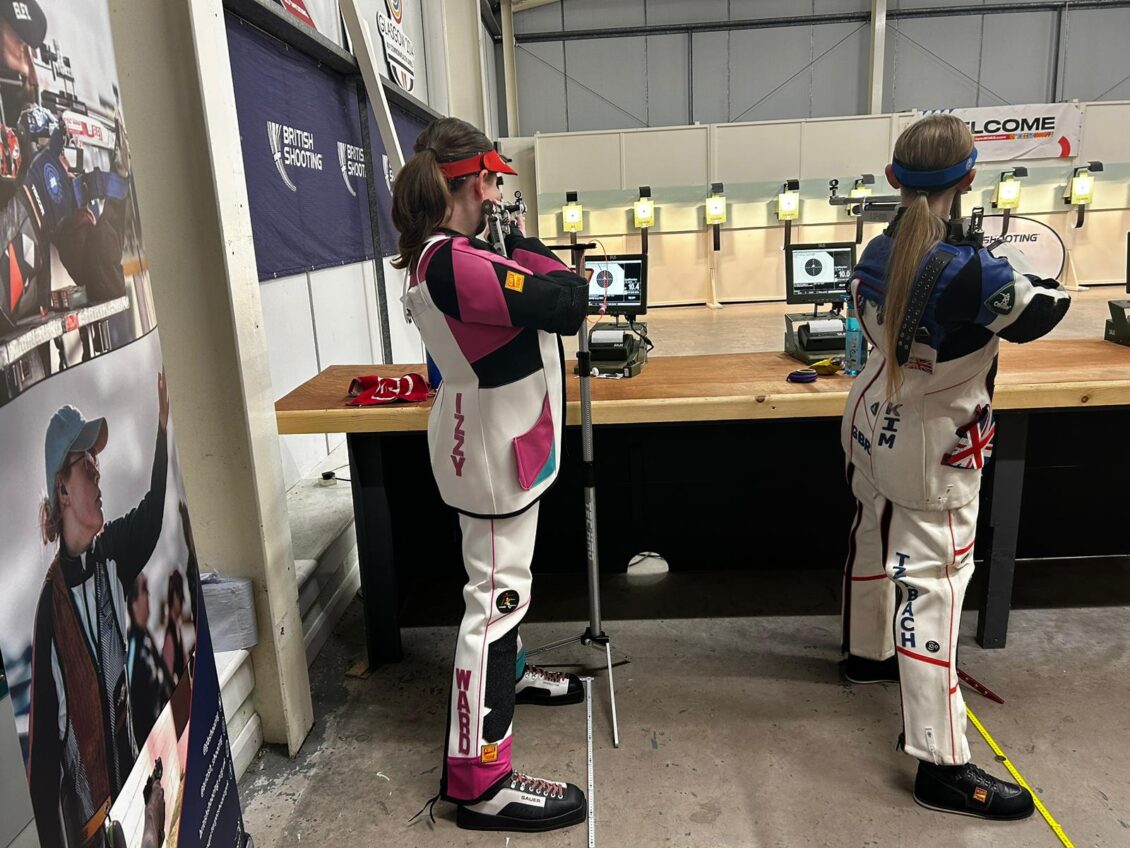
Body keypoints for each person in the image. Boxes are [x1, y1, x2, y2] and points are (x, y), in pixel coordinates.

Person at [838, 114, 1070, 819]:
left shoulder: (879, 248)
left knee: (872, 542)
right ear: (970, 178)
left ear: (893, 180)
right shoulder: (976, 271)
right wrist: (1011, 259)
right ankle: (941, 763)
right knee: (934, 586)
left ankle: (867, 652)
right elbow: (1045, 309)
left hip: (871, 420)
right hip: (933, 444)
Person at [392, 117, 590, 833]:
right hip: (493, 445)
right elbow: (569, 300)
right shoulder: (456, 261)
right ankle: (483, 779)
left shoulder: (446, 252)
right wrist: (525, 245)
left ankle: (511, 674)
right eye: (494, 180)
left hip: (489, 436)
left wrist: (506, 241)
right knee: (496, 599)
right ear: (476, 181)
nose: (499, 191)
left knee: (502, 587)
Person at [28, 373, 170, 847]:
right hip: (94, 830)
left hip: (132, 799)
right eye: (86, 463)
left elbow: (152, 515)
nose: (98, 470)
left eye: (97, 460)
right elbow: (44, 771)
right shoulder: (50, 612)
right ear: (62, 491)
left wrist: (163, 429)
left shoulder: (109, 553)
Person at [126, 571, 173, 744]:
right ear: (134, 603)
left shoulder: (147, 638)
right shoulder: (134, 651)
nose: (149, 595)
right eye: (144, 590)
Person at [161, 571, 186, 686]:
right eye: (179, 595)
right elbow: (167, 681)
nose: (182, 601)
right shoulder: (170, 636)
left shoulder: (176, 628)